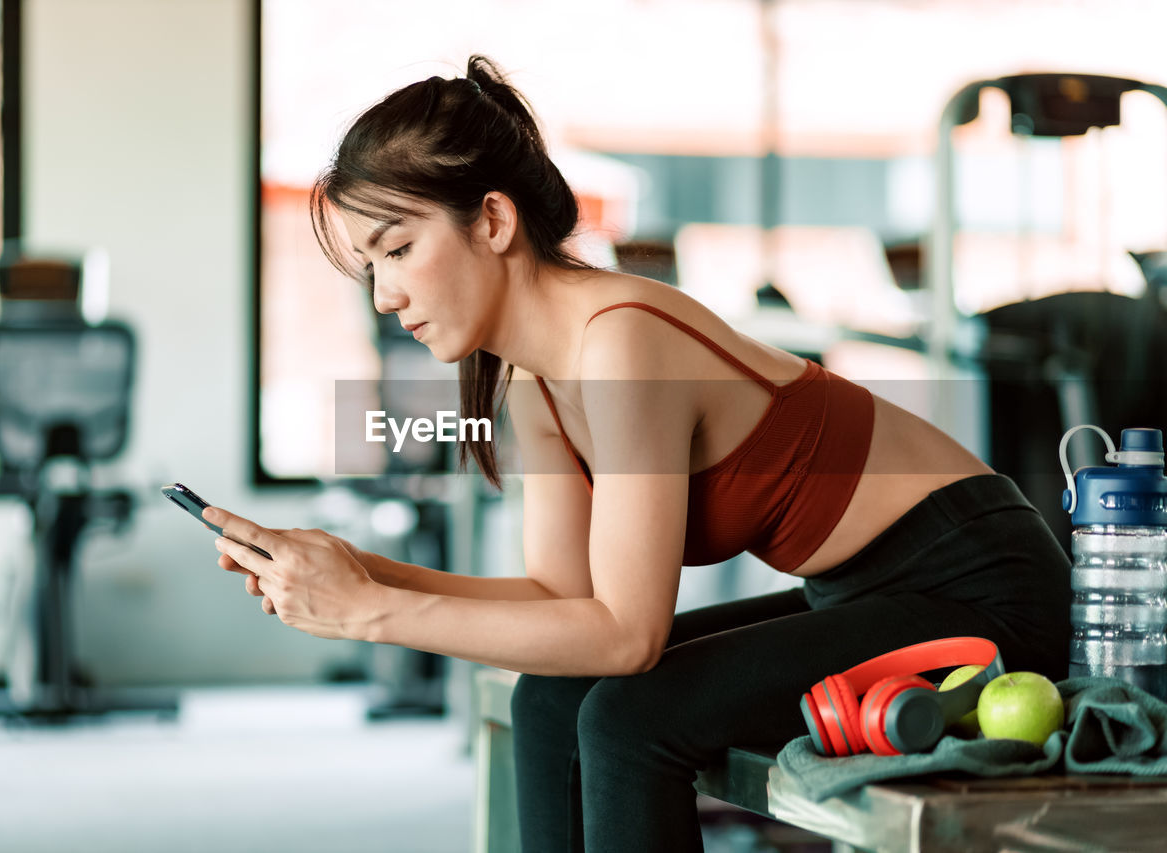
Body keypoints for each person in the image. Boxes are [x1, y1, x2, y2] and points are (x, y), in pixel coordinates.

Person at [207, 55, 1070, 853]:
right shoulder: (533, 379)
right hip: (862, 592)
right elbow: (562, 599)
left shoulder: (622, 340)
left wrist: (366, 612)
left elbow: (626, 635)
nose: (386, 293)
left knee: (629, 714)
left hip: (980, 587)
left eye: (398, 248)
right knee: (549, 694)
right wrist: (362, 572)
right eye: (370, 265)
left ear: (495, 220)